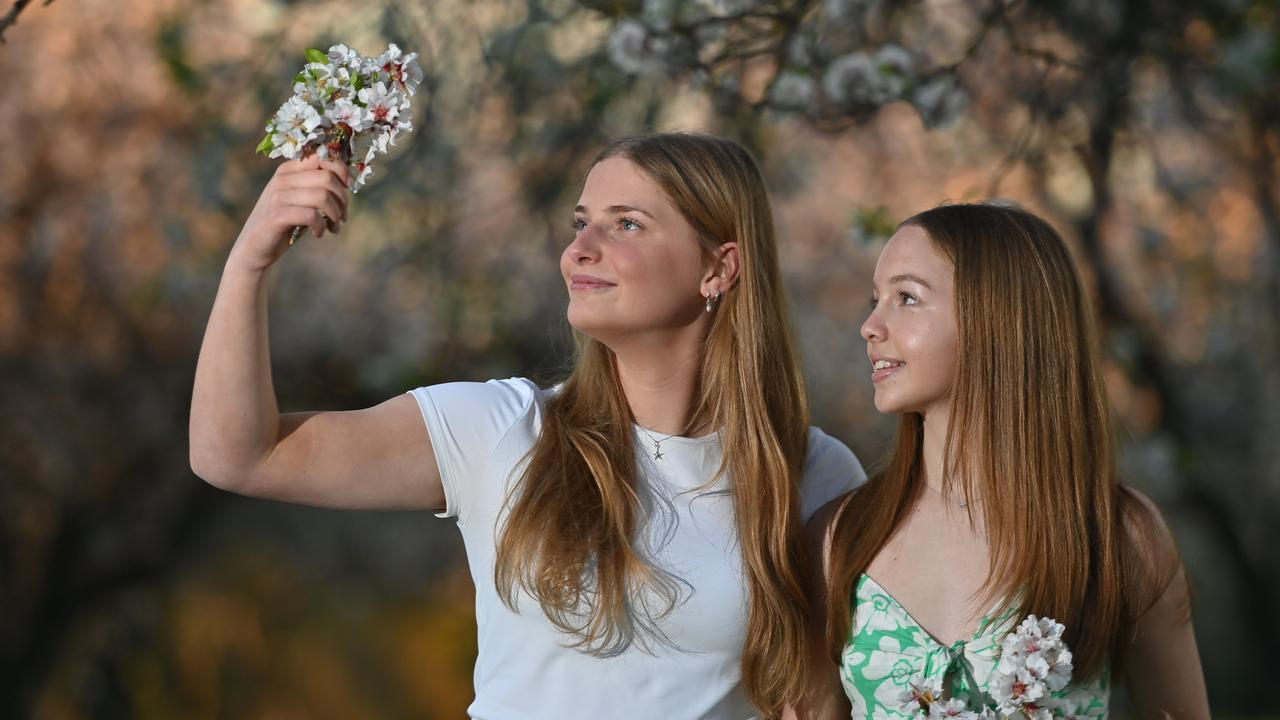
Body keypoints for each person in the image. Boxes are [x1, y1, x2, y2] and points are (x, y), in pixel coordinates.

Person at [189, 132, 866, 720]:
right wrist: (249, 262)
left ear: (719, 266)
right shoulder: (500, 431)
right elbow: (239, 456)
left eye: (626, 224)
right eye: (580, 223)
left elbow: (825, 696)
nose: (580, 251)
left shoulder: (811, 473)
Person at [799, 203, 1209, 718]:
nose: (870, 326)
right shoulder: (841, 540)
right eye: (875, 300)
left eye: (906, 298)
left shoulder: (1115, 534)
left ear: (997, 317)